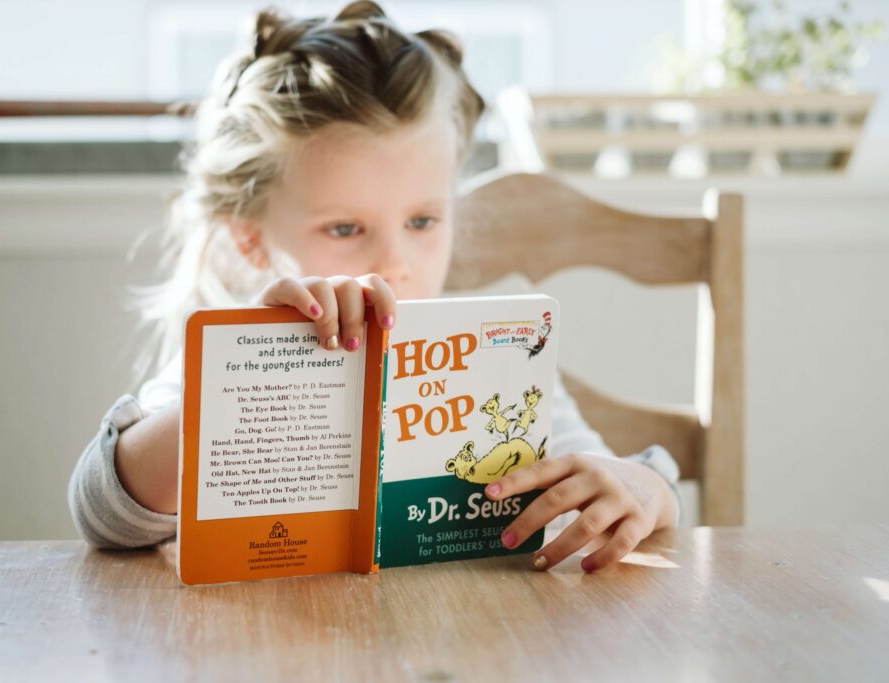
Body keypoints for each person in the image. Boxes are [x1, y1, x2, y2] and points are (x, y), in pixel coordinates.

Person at [68, 0, 681, 574]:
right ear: (250, 239)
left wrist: (645, 490)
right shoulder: (230, 359)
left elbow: (626, 485)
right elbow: (102, 514)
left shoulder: (499, 361)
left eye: (422, 221)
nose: (395, 261)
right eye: (344, 227)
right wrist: (241, 385)